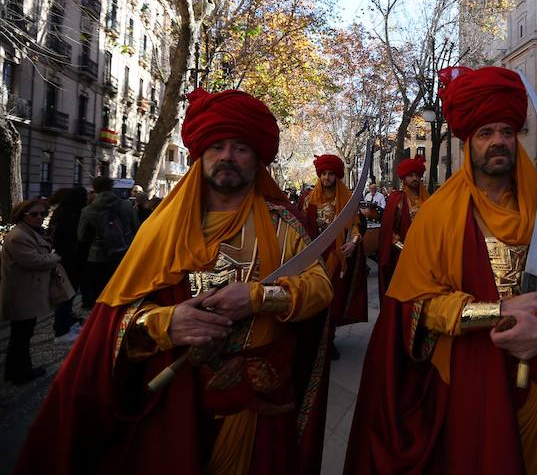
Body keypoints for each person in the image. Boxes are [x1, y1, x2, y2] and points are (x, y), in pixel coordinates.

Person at [16, 88, 334, 474]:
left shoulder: (283, 224)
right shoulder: (162, 228)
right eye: (216, 146)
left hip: (259, 408)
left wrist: (259, 297)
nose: (226, 157)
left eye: (240, 147)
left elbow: (320, 287)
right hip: (175, 400)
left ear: (258, 160)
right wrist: (166, 323)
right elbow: (115, 321)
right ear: (200, 155)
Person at [345, 66, 537, 474]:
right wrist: (499, 311)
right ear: (467, 141)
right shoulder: (438, 214)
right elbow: (418, 305)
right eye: (486, 133)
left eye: (507, 132)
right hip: (469, 375)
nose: (498, 142)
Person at [298, 153, 367, 359]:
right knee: (312, 298)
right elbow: (299, 226)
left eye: (330, 174)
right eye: (324, 173)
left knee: (332, 299)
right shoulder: (307, 198)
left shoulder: (346, 199)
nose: (327, 178)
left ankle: (329, 340)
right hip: (311, 256)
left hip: (336, 257)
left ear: (337, 176)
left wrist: (353, 243)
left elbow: (354, 226)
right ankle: (314, 339)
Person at [0, 199, 58, 384]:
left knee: (22, 334)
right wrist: (55, 257)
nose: (40, 217)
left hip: (28, 290)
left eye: (43, 213)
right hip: (21, 292)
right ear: (23, 215)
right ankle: (21, 373)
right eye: (34, 214)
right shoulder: (19, 236)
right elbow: (34, 261)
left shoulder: (30, 232)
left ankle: (14, 371)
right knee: (21, 335)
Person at [77, 176, 138, 310]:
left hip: (97, 256)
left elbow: (82, 237)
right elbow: (136, 229)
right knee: (121, 290)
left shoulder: (88, 210)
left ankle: (102, 319)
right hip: (124, 253)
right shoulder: (127, 206)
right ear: (111, 187)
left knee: (100, 292)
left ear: (95, 189)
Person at [377, 155, 430, 304]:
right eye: (411, 175)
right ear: (403, 178)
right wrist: (404, 248)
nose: (415, 178)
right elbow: (389, 232)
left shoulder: (427, 199)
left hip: (426, 256)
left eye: (417, 175)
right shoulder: (397, 199)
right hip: (402, 257)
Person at [49, 187, 89, 343]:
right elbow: (75, 241)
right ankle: (62, 330)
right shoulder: (72, 216)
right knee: (67, 295)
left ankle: (65, 324)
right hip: (71, 261)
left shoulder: (61, 213)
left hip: (66, 260)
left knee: (67, 295)